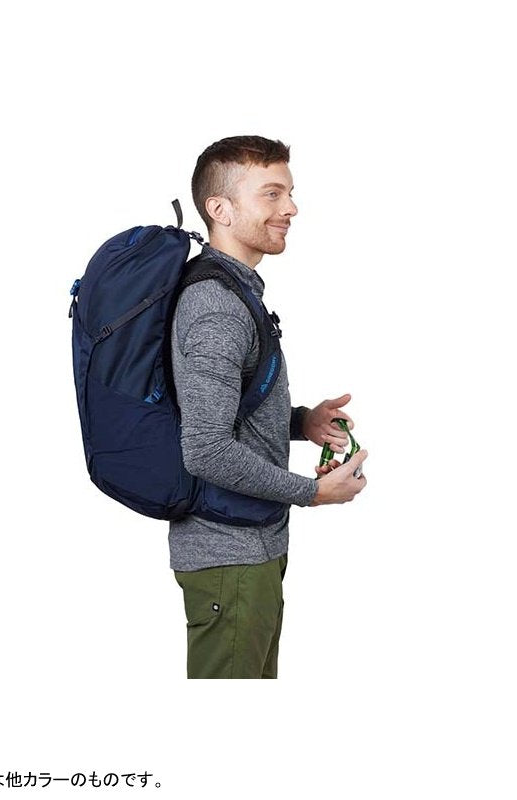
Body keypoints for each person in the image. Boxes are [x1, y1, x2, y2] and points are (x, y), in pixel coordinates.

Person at [169, 135, 368, 679]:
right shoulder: (216, 306)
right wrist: (313, 492)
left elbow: (225, 409)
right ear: (220, 209)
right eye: (272, 194)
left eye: (290, 193)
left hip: (249, 550)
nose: (291, 208)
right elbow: (205, 449)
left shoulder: (235, 292)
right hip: (229, 556)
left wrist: (303, 422)